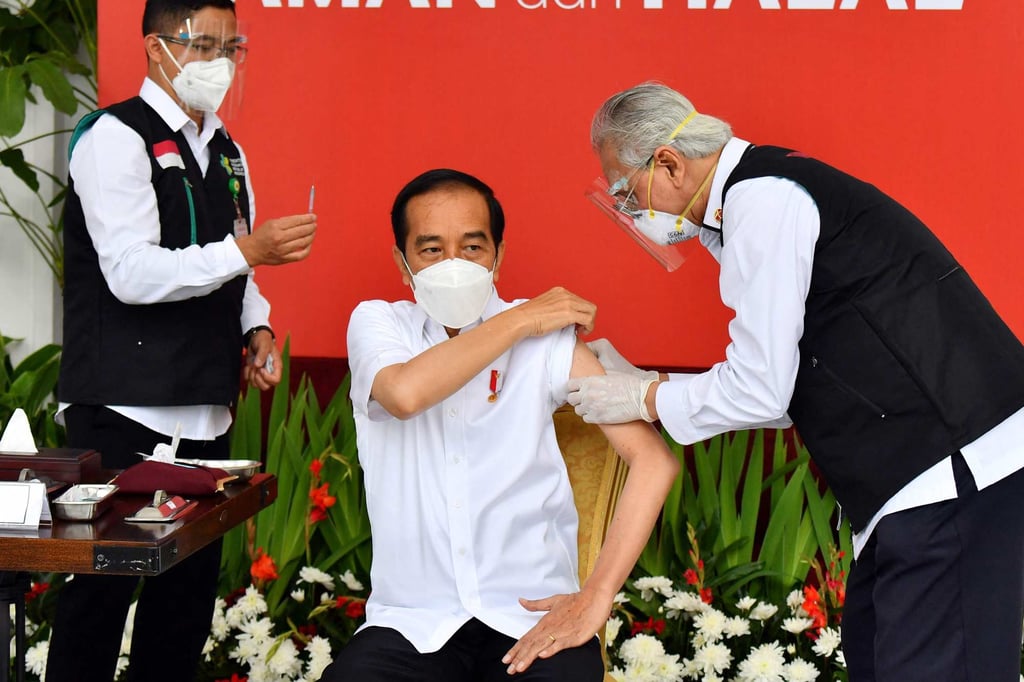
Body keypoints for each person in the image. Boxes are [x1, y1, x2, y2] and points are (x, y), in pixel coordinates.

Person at [568, 81, 1024, 682]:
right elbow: (791, 386)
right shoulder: (758, 197)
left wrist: (643, 397)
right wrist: (648, 386)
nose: (630, 212)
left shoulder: (764, 199)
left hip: (951, 469)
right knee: (879, 652)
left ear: (670, 163)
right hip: (915, 483)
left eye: (627, 192)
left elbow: (762, 390)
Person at [319, 169, 679, 682]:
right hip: (410, 626)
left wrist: (596, 599)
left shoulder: (548, 343)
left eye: (472, 247)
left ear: (498, 257)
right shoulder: (380, 325)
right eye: (431, 250)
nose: (454, 265)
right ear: (403, 264)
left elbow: (653, 460)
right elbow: (404, 394)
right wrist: (519, 320)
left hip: (530, 620)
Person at [48, 1, 316, 680]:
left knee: (183, 609)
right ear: (155, 47)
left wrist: (256, 326)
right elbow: (132, 273)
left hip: (204, 414)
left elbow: (239, 268)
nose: (218, 63)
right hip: (121, 412)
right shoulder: (115, 139)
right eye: (202, 45)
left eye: (232, 48)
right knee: (98, 601)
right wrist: (244, 248)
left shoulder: (227, 149)